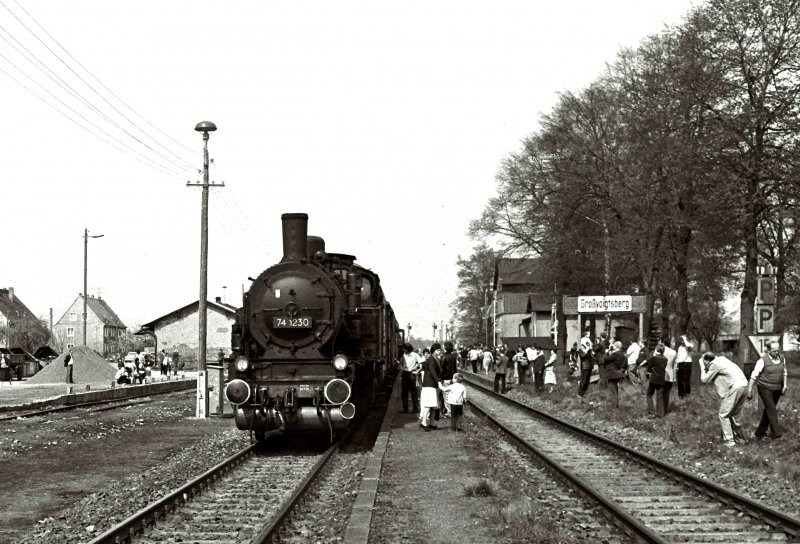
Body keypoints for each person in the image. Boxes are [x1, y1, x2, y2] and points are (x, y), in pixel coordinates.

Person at [698, 352, 749, 447]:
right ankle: (741, 438)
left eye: (704, 361)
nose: (704, 363)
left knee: (723, 414)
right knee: (731, 414)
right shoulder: (722, 359)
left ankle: (729, 441)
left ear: (708, 360)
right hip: (744, 384)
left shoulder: (714, 364)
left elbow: (704, 380)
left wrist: (702, 367)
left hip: (736, 387)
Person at [748, 341, 788, 440]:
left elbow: (784, 372)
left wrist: (785, 385)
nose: (777, 353)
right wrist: (749, 390)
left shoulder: (782, 358)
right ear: (768, 351)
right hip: (764, 387)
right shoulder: (762, 361)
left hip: (777, 388)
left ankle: (760, 433)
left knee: (769, 410)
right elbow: (754, 375)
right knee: (771, 409)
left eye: (778, 350)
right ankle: (777, 434)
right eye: (774, 351)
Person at [419, 343, 443, 431]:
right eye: (437, 350)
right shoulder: (431, 359)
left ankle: (432, 423)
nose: (439, 352)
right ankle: (423, 422)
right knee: (428, 404)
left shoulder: (434, 358)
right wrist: (439, 382)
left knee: (433, 405)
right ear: (433, 351)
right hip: (429, 384)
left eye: (440, 350)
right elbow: (433, 372)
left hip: (432, 384)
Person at [642, 345, 668, 417]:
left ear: (656, 350)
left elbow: (649, 368)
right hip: (661, 379)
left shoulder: (654, 358)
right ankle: (661, 413)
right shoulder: (665, 359)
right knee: (660, 396)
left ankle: (651, 411)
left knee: (649, 394)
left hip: (654, 378)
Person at [399, 343, 422, 413]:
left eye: (404, 348)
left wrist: (416, 370)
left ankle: (415, 409)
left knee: (413, 392)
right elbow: (401, 362)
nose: (403, 350)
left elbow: (420, 363)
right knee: (404, 392)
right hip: (405, 374)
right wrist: (401, 367)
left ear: (407, 349)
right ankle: (405, 409)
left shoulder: (415, 355)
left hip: (412, 374)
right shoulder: (404, 355)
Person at [604, 341, 627, 409]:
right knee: (615, 390)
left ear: (616, 346)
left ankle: (614, 406)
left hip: (612, 374)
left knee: (612, 390)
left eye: (613, 345)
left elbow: (606, 359)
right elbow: (624, 363)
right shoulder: (622, 354)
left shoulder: (615, 354)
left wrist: (606, 352)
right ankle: (616, 405)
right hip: (617, 373)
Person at [661, 341, 677, 415]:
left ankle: (661, 411)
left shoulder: (661, 350)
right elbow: (675, 365)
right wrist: (674, 377)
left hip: (661, 374)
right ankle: (666, 409)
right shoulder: (673, 352)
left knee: (660, 393)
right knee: (667, 393)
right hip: (670, 374)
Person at [577, 331, 594, 397]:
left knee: (587, 380)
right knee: (583, 380)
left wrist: (590, 351)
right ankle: (579, 393)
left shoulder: (588, 350)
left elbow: (591, 356)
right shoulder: (580, 349)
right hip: (584, 366)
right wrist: (587, 350)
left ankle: (583, 393)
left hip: (589, 365)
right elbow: (583, 356)